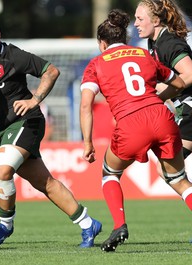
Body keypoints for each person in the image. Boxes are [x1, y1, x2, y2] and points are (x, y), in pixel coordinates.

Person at [0, 19, 102, 248]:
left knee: (1, 170)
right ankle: (88, 223)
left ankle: (5, 224)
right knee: (44, 182)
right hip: (2, 132)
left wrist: (35, 99)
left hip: (27, 122)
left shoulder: (13, 56)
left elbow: (51, 71)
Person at [79, 9, 192, 252]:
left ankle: (119, 225)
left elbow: (86, 105)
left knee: (110, 174)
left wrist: (87, 143)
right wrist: (159, 95)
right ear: (125, 38)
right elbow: (180, 81)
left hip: (131, 122)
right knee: (178, 180)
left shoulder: (96, 64)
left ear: (102, 43)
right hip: (162, 117)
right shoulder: (143, 54)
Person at [134, 1, 192, 171]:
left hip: (190, 110)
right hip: (185, 110)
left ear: (156, 21)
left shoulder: (168, 43)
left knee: (168, 169)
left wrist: (161, 97)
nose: (136, 23)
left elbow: (189, 73)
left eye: (140, 18)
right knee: (168, 169)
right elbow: (170, 81)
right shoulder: (155, 43)